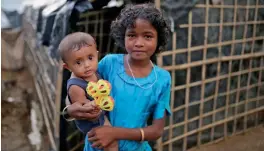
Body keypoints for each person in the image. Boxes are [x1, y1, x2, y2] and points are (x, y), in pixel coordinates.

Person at [64, 3, 172, 151]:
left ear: (158, 39)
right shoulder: (110, 63)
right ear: (123, 36)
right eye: (132, 35)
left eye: (148, 36)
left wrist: (114, 133)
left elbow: (157, 131)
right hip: (98, 147)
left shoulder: (162, 79)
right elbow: (79, 82)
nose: (139, 43)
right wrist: (70, 110)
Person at [59, 32, 118, 151]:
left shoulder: (93, 72)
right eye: (78, 62)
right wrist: (94, 105)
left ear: (97, 55)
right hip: (94, 122)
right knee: (111, 143)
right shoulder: (75, 86)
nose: (87, 65)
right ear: (68, 67)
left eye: (90, 58)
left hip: (102, 114)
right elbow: (86, 110)